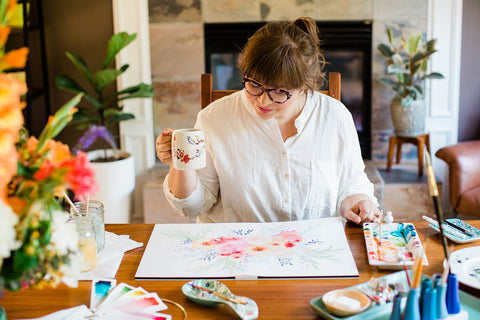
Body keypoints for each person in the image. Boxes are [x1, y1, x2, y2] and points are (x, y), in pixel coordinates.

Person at [156, 17, 381, 224]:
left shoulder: (334, 116)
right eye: (254, 84)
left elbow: (353, 184)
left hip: (312, 251)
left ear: (304, 85)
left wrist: (359, 202)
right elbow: (192, 208)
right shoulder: (214, 118)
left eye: (280, 91)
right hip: (238, 253)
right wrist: (180, 163)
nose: (262, 100)